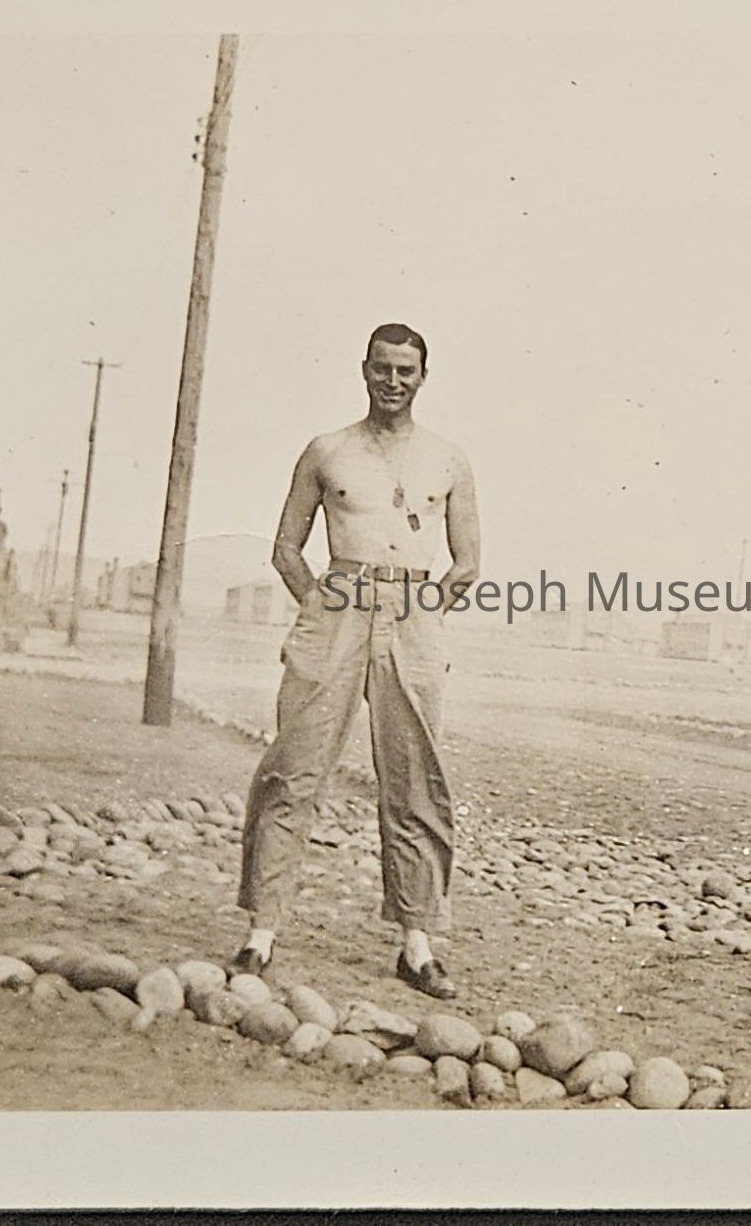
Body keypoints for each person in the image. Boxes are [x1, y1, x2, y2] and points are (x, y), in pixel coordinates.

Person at [231, 322, 480, 1000]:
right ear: (364, 370)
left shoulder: (447, 459)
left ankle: (417, 944)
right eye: (381, 368)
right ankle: (261, 932)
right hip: (338, 605)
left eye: (405, 370)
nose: (392, 381)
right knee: (294, 768)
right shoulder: (328, 450)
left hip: (412, 613)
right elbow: (286, 549)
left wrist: (423, 611)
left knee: (414, 780)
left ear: (423, 376)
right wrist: (321, 604)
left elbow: (467, 563)